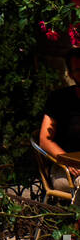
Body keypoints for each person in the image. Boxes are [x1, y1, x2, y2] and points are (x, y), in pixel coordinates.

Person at [39, 48, 80, 176]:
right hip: (66, 169)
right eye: (79, 70)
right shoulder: (59, 99)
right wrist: (68, 161)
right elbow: (45, 140)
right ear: (71, 74)